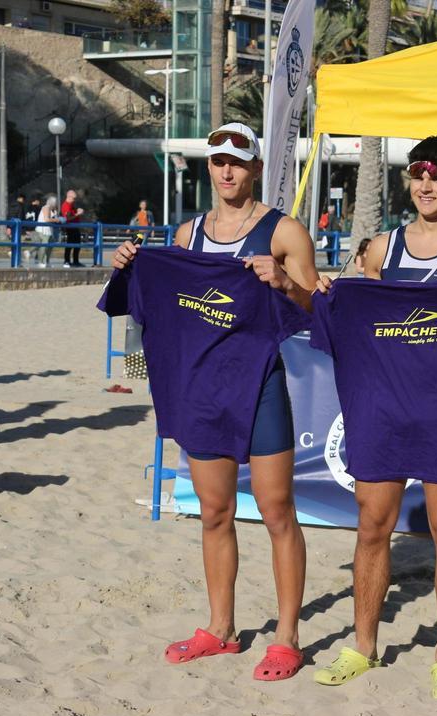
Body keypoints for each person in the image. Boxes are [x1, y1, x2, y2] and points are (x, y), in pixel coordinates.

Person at [110, 122, 319, 681]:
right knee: (215, 512)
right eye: (217, 160)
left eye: (237, 161)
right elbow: (155, 319)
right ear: (209, 168)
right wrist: (129, 267)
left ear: (254, 167)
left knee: (277, 511)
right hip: (203, 392)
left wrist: (282, 282)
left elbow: (318, 310)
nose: (226, 170)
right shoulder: (186, 236)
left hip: (261, 386)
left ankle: (287, 636)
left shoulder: (284, 232)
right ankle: (220, 628)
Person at [311, 135, 437, 699]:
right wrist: (331, 292)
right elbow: (358, 319)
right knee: (372, 525)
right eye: (418, 172)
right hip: (382, 408)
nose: (426, 183)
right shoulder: (380, 250)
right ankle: (363, 646)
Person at [60, 189, 85, 267]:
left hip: (75, 227)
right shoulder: (66, 205)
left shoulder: (71, 205)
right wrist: (78, 214)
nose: (74, 200)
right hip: (70, 228)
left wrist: (78, 211)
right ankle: (66, 261)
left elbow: (73, 213)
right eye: (74, 198)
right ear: (69, 197)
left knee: (77, 244)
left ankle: (76, 261)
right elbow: (68, 218)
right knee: (69, 244)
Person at [33, 195, 58, 268]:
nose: (56, 204)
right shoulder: (46, 207)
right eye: (55, 203)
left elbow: (54, 219)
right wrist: (56, 220)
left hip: (50, 231)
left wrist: (58, 219)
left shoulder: (54, 210)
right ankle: (40, 262)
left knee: (50, 247)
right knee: (43, 246)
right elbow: (47, 219)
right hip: (43, 230)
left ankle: (47, 262)